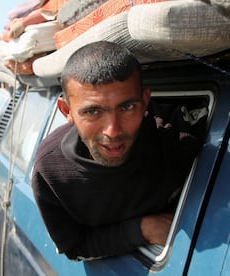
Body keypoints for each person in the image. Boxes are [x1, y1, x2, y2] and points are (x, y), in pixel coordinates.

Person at [31, 41, 203, 260]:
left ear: (145, 101)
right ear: (67, 111)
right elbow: (75, 247)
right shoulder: (51, 170)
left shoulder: (178, 139)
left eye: (127, 107)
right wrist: (141, 230)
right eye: (92, 111)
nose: (112, 131)